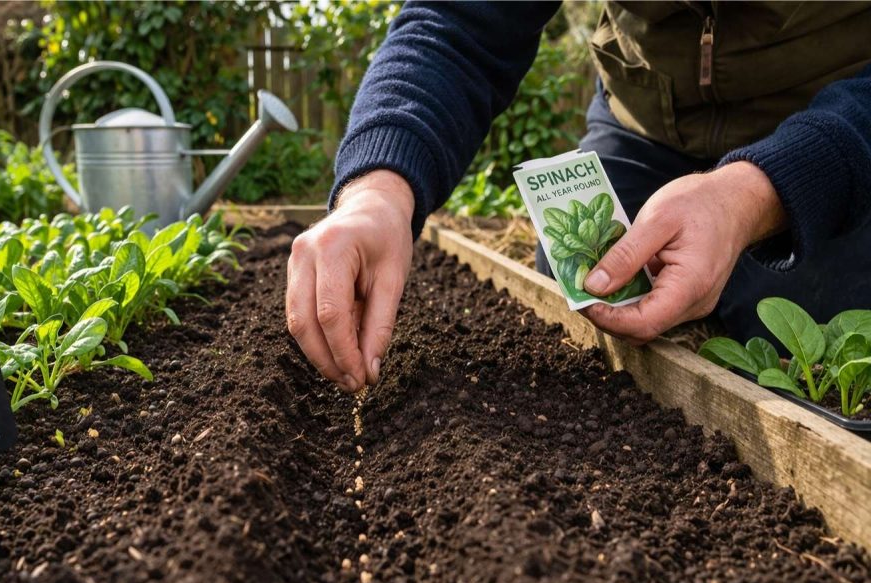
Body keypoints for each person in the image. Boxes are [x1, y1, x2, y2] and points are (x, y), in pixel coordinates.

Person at [285, 2, 871, 394]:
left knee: (814, 351)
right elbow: (458, 25)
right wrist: (379, 190)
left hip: (832, 125)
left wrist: (755, 194)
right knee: (587, 302)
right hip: (648, 121)